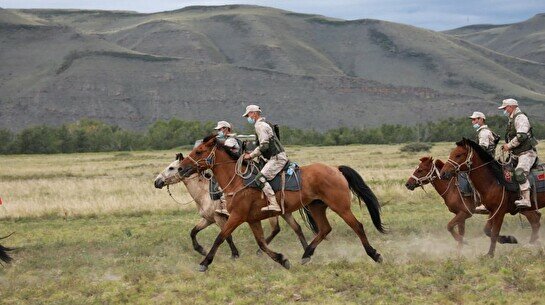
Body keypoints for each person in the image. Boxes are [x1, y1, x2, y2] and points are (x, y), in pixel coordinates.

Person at [242, 105, 286, 212]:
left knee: (259, 178)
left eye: (248, 114)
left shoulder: (260, 126)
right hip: (275, 156)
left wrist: (250, 156)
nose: (248, 117)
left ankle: (274, 204)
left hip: (276, 158)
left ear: (254, 113)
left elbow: (264, 145)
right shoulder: (263, 124)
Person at [499, 98, 539, 208]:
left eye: (505, 108)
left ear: (511, 107)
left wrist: (509, 145)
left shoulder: (520, 118)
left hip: (526, 153)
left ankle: (526, 200)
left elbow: (522, 136)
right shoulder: (512, 119)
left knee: (519, 173)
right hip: (516, 154)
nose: (504, 110)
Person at [469, 111, 499, 213]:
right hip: (486, 161)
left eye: (474, 119)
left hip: (486, 162)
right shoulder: (482, 131)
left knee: (474, 180)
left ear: (481, 119)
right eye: (472, 120)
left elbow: (483, 148)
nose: (473, 122)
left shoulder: (484, 132)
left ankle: (483, 203)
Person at [213, 121, 240, 216]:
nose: (219, 131)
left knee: (223, 186)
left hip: (234, 167)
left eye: (220, 129)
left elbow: (224, 152)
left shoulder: (231, 140)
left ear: (226, 129)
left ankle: (225, 207)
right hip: (232, 166)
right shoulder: (228, 139)